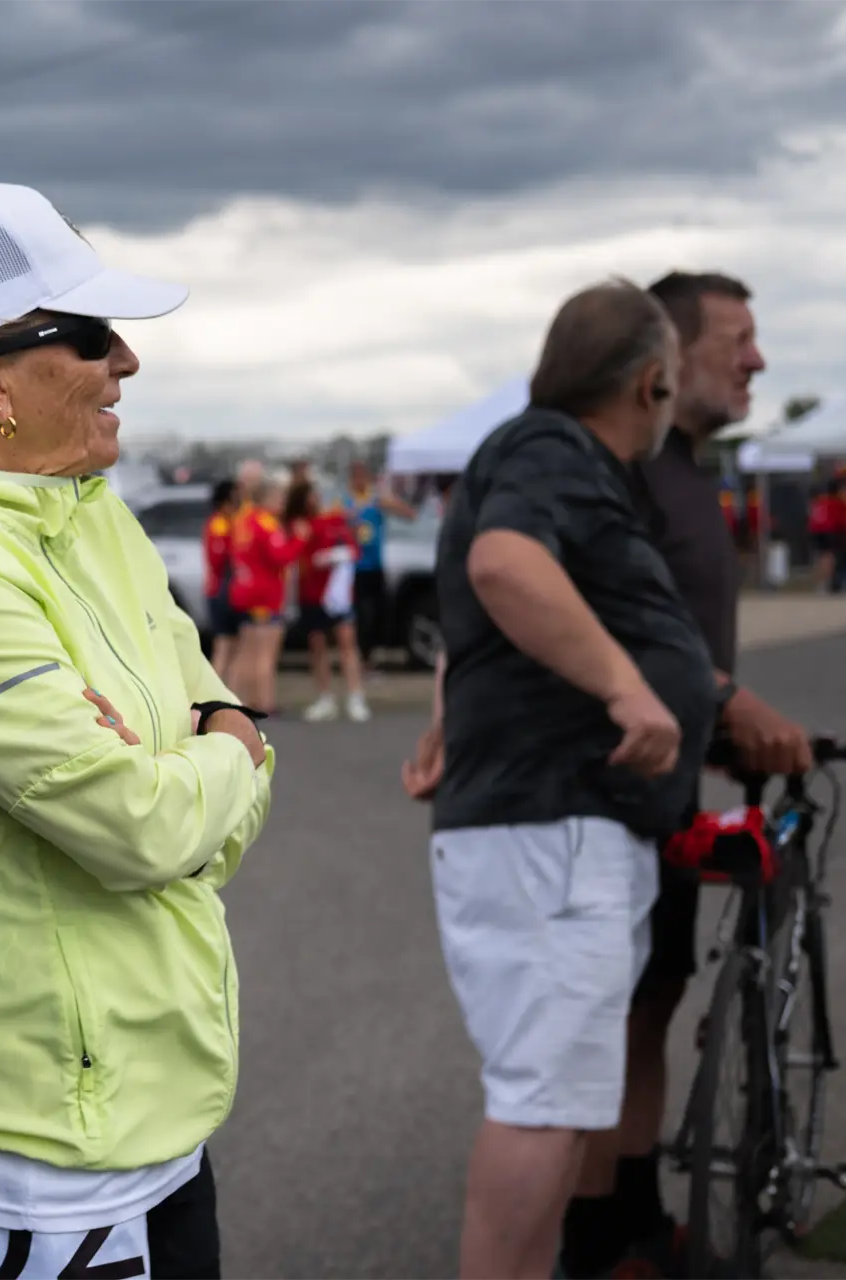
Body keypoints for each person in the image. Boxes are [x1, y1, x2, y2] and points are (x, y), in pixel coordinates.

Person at [0, 182, 274, 1280]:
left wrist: (202, 751)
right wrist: (219, 747)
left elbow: (211, 745)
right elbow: (141, 823)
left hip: (154, 1110)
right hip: (27, 1146)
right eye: (87, 334)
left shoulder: (87, 507)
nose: (125, 358)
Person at [415, 280, 722, 1280]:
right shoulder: (555, 449)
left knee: (556, 1097)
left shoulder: (537, 453)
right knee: (543, 1102)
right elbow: (504, 565)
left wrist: (448, 715)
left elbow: (477, 599)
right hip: (553, 827)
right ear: (651, 382)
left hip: (557, 824)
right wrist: (634, 690)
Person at [548, 271, 815, 1280]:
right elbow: (602, 621)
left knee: (652, 1003)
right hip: (592, 805)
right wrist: (730, 700)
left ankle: (628, 1219)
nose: (757, 359)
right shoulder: (624, 471)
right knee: (601, 1025)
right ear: (664, 356)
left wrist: (724, 723)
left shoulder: (689, 471)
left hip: (659, 798)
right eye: (736, 340)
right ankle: (590, 1241)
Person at [287, 480, 368, 722]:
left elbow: (354, 549)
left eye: (316, 494)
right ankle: (325, 697)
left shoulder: (334, 520)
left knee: (347, 643)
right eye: (310, 495)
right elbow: (296, 555)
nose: (315, 499)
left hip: (338, 596)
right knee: (318, 645)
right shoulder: (298, 525)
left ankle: (356, 696)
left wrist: (340, 554)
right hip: (311, 594)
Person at [229, 470, 301, 715]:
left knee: (247, 651)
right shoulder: (265, 523)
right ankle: (265, 702)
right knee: (265, 654)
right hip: (265, 596)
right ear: (267, 498)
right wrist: (299, 540)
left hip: (246, 593)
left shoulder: (243, 520)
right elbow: (281, 557)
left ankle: (238, 700)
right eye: (279, 497)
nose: (282, 503)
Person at [344, 458, 415, 659]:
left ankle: (369, 655)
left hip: (375, 565)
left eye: (362, 476)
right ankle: (359, 657)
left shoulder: (376, 499)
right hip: (353, 567)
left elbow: (410, 515)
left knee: (377, 612)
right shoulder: (344, 502)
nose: (359, 480)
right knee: (359, 614)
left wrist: (388, 497)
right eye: (355, 476)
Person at [202, 478, 242, 686]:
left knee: (235, 646)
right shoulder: (219, 524)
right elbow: (218, 558)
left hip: (227, 591)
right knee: (224, 645)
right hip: (221, 592)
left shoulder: (230, 522)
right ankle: (214, 691)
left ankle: (230, 695)